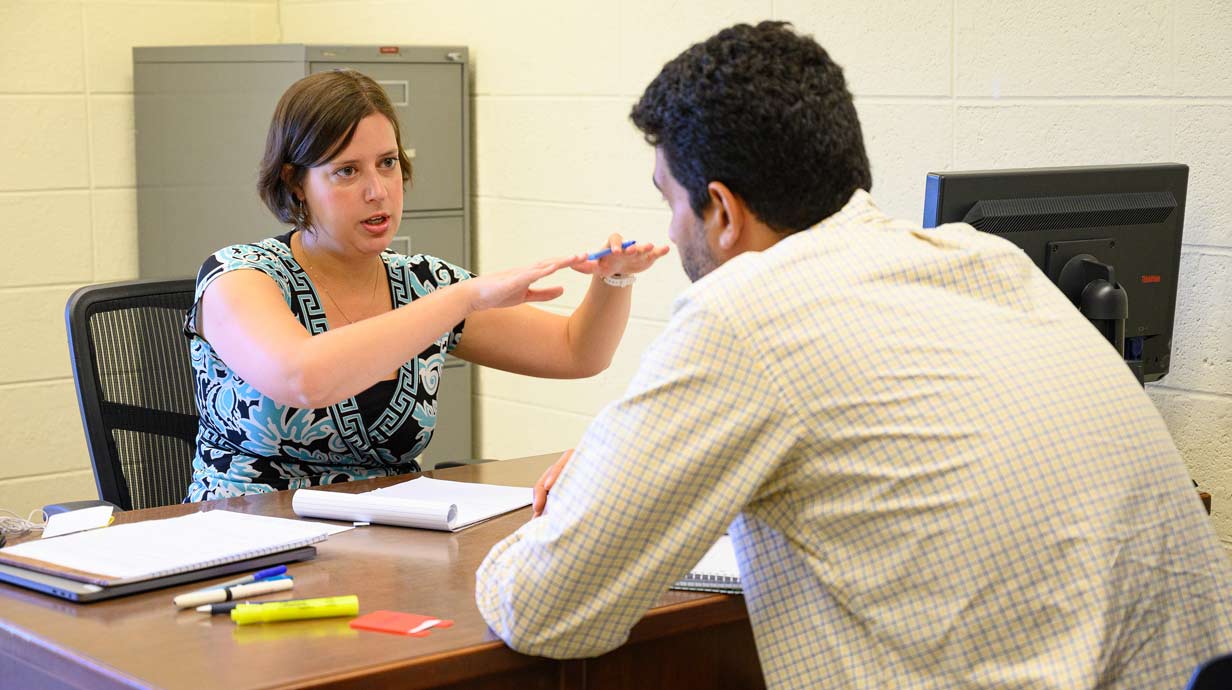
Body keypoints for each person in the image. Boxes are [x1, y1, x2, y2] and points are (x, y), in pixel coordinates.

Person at [475, 21, 1232, 688]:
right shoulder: (988, 260)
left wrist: (599, 487)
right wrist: (635, 461)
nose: (671, 233)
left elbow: (542, 607)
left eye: (671, 201)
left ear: (725, 212)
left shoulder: (745, 315)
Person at [183, 69, 668, 501]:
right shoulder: (238, 276)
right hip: (248, 539)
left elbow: (576, 351)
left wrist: (614, 280)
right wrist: (460, 299)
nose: (378, 191)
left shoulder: (421, 282)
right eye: (346, 171)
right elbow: (303, 378)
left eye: (388, 163)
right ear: (295, 183)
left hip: (387, 542)